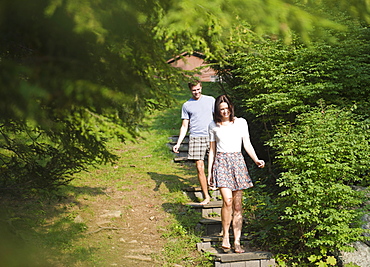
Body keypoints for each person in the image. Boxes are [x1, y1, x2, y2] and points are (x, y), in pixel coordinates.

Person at [207, 94, 265, 253]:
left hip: (237, 162)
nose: (225, 112)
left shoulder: (241, 122)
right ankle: (225, 236)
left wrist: (256, 159)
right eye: (221, 110)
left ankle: (237, 241)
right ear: (217, 111)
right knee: (227, 200)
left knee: (238, 205)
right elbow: (212, 150)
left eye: (226, 108)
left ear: (231, 108)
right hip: (221, 162)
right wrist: (209, 173)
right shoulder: (213, 125)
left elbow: (247, 143)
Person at [173, 81, 215, 205]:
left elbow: (219, 117)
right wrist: (178, 143)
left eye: (198, 89)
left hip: (211, 136)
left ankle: (214, 184)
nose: (196, 92)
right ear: (190, 91)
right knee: (199, 167)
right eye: (194, 90)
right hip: (196, 138)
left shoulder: (210, 100)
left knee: (216, 164)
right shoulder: (187, 105)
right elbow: (184, 125)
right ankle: (206, 196)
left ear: (201, 87)